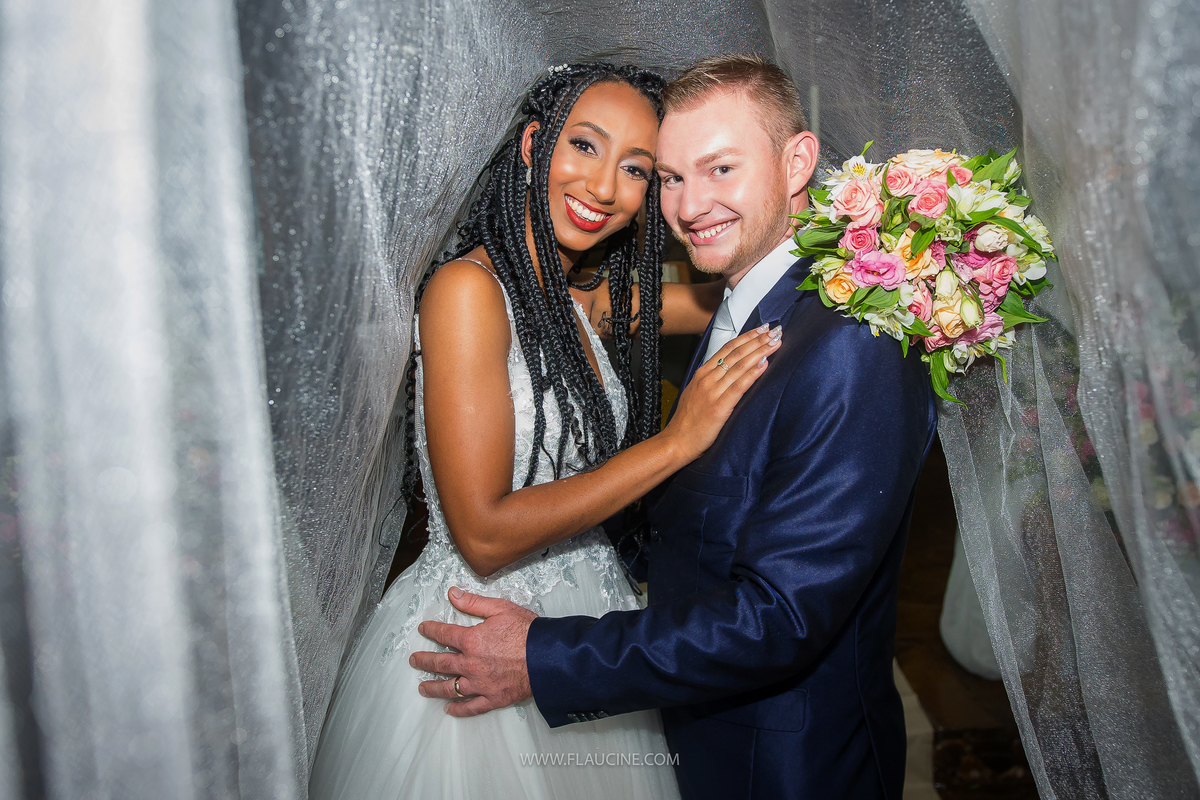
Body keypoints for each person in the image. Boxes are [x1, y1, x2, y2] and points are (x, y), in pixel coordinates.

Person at [411, 55, 938, 800]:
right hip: (567, 658)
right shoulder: (722, 300)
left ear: (798, 163)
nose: (689, 206)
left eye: (719, 168)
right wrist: (675, 445)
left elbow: (780, 616)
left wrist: (908, 254)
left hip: (774, 760)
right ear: (533, 146)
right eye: (668, 177)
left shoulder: (846, 339)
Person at [308, 62, 781, 800]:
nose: (603, 188)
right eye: (584, 146)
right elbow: (484, 533)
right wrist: (677, 442)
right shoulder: (466, 291)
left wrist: (880, 246)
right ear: (534, 144)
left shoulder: (581, 302)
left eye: (637, 169)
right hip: (478, 635)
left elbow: (743, 290)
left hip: (579, 623)